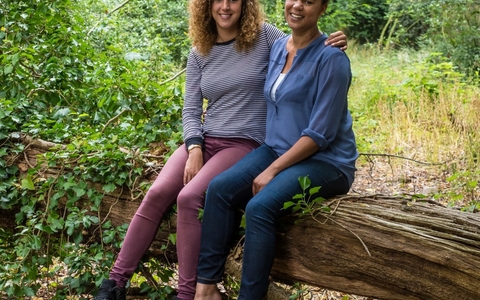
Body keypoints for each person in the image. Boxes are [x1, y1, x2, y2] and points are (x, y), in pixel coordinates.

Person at [93, 0, 348, 299]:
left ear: (246, 5)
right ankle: (114, 283)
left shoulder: (266, 37)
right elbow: (190, 109)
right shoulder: (199, 51)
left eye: (234, 0)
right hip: (205, 140)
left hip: (245, 141)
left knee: (189, 197)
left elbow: (305, 42)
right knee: (157, 193)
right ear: (206, 6)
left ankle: (189, 293)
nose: (225, 6)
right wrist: (195, 147)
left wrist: (336, 39)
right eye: (218, 0)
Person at [193, 0, 358, 299]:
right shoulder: (278, 46)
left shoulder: (332, 59)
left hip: (327, 160)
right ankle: (205, 289)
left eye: (309, 2)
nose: (297, 6)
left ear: (322, 8)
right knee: (218, 190)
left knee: (260, 207)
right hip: (278, 149)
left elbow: (320, 134)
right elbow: (238, 42)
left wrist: (273, 169)